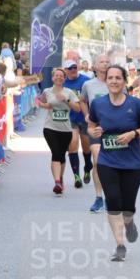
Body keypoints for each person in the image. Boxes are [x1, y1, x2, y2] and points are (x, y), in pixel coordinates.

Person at [86, 64, 140, 262]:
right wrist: (94, 132)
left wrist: (133, 134)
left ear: (124, 81)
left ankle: (129, 222)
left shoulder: (137, 105)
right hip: (107, 161)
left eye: (118, 78)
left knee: (128, 207)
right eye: (110, 78)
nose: (114, 81)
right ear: (106, 81)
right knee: (113, 201)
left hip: (132, 163)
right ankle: (120, 245)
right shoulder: (98, 104)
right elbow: (91, 126)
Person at [36, 68, 83, 194]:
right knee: (56, 153)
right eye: (56, 75)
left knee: (61, 155)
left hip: (66, 129)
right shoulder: (47, 91)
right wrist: (40, 104)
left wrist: (66, 100)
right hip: (50, 128)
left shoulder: (69, 92)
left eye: (61, 76)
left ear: (64, 78)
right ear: (52, 78)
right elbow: (45, 103)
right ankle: (57, 182)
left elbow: (78, 109)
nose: (58, 77)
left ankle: (60, 178)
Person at [80, 54, 112, 212]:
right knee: (98, 160)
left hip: (114, 127)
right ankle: (99, 198)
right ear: (95, 65)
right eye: (102, 62)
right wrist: (87, 115)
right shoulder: (88, 84)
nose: (105, 64)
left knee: (112, 163)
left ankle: (111, 195)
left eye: (107, 62)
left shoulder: (117, 82)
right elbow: (82, 100)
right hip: (95, 126)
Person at [61, 59, 91, 189]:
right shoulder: (63, 82)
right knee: (73, 144)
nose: (73, 70)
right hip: (70, 118)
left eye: (74, 67)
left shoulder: (86, 80)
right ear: (66, 70)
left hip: (85, 118)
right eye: (70, 68)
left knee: (86, 147)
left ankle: (87, 168)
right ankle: (77, 176)